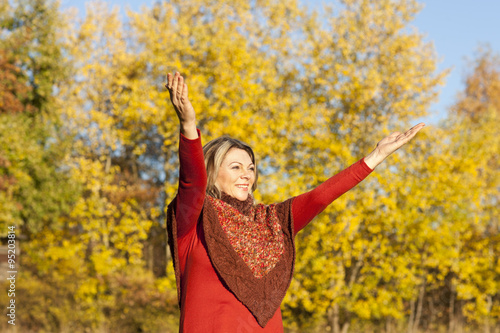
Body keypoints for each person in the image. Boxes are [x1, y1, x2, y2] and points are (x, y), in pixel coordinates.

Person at [165, 72, 425, 332]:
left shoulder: (271, 222)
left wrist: (377, 155)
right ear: (211, 172)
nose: (246, 174)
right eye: (235, 167)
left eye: (251, 167)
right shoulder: (192, 220)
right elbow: (192, 182)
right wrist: (188, 127)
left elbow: (319, 197)